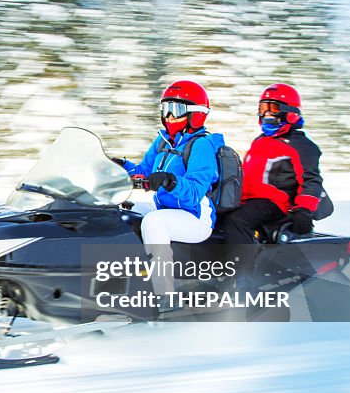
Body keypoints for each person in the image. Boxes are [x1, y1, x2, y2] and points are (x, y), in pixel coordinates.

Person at [111, 80, 220, 296]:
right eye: (166, 108)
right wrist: (120, 165)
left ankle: (164, 296)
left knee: (153, 222)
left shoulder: (201, 145)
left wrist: (170, 181)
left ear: (195, 114)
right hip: (165, 209)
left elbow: (196, 193)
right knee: (122, 210)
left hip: (196, 216)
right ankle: (117, 284)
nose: (169, 116)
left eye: (176, 110)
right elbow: (144, 171)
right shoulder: (163, 141)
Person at [222, 83, 324, 245]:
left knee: (237, 221)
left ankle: (241, 268)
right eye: (263, 109)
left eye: (273, 108)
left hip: (276, 203)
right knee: (216, 217)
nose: (267, 114)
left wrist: (304, 209)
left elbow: (311, 180)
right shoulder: (260, 141)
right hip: (247, 200)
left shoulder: (300, 145)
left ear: (290, 112)